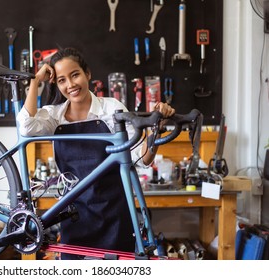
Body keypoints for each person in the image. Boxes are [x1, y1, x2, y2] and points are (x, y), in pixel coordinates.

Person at [17, 47, 175, 259]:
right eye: (62, 80)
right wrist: (36, 81)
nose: (70, 85)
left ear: (87, 74)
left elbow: (143, 158)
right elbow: (25, 127)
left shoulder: (112, 109)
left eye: (75, 75)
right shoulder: (55, 117)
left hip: (114, 214)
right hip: (74, 216)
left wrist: (157, 127)